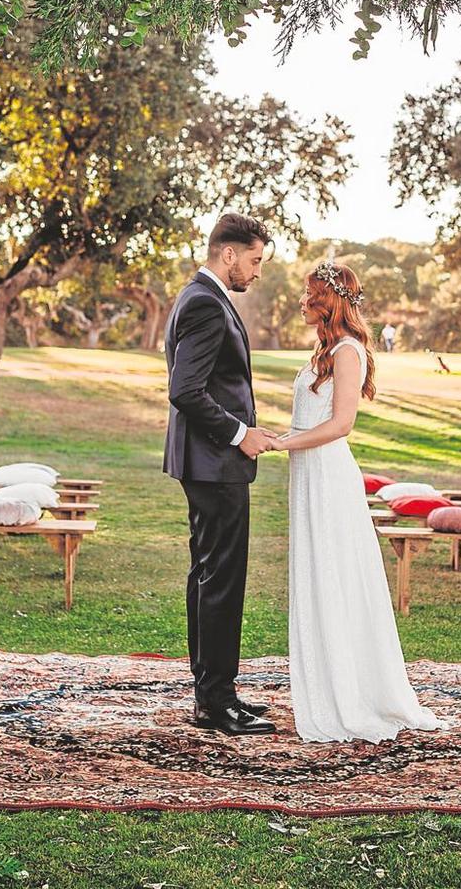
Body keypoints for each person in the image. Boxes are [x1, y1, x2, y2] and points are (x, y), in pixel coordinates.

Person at [265, 262, 446, 743]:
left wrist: (285, 443)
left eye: (309, 293)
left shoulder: (348, 352)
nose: (302, 301)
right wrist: (284, 438)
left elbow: (341, 424)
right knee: (318, 572)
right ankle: (325, 681)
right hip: (308, 473)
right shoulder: (323, 350)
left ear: (328, 301)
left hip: (327, 475)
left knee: (335, 574)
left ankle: (350, 694)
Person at [163, 213, 278, 737]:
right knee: (221, 581)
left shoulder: (199, 297)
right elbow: (186, 391)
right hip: (215, 463)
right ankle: (215, 701)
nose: (257, 272)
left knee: (209, 577)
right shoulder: (206, 303)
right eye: (254, 260)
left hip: (209, 463)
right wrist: (240, 434)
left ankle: (214, 693)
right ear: (228, 254)